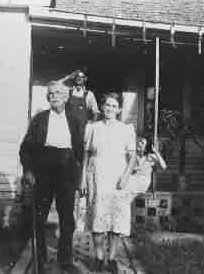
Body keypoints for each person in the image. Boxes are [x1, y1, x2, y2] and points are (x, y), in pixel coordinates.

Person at [18, 81, 85, 273]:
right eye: (50, 94)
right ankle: (40, 261)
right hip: (44, 170)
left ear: (65, 97)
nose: (53, 97)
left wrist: (78, 175)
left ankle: (65, 260)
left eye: (57, 93)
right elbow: (25, 149)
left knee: (67, 219)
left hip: (66, 171)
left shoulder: (74, 120)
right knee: (39, 217)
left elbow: (80, 151)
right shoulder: (39, 119)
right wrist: (28, 171)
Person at [80, 92, 136, 273]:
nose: (110, 108)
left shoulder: (126, 129)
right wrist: (82, 179)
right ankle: (98, 256)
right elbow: (86, 154)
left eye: (114, 106)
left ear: (119, 109)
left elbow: (132, 155)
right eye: (107, 105)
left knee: (115, 220)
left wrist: (126, 176)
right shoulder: (92, 127)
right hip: (97, 176)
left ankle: (111, 258)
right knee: (97, 216)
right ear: (102, 107)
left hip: (118, 177)